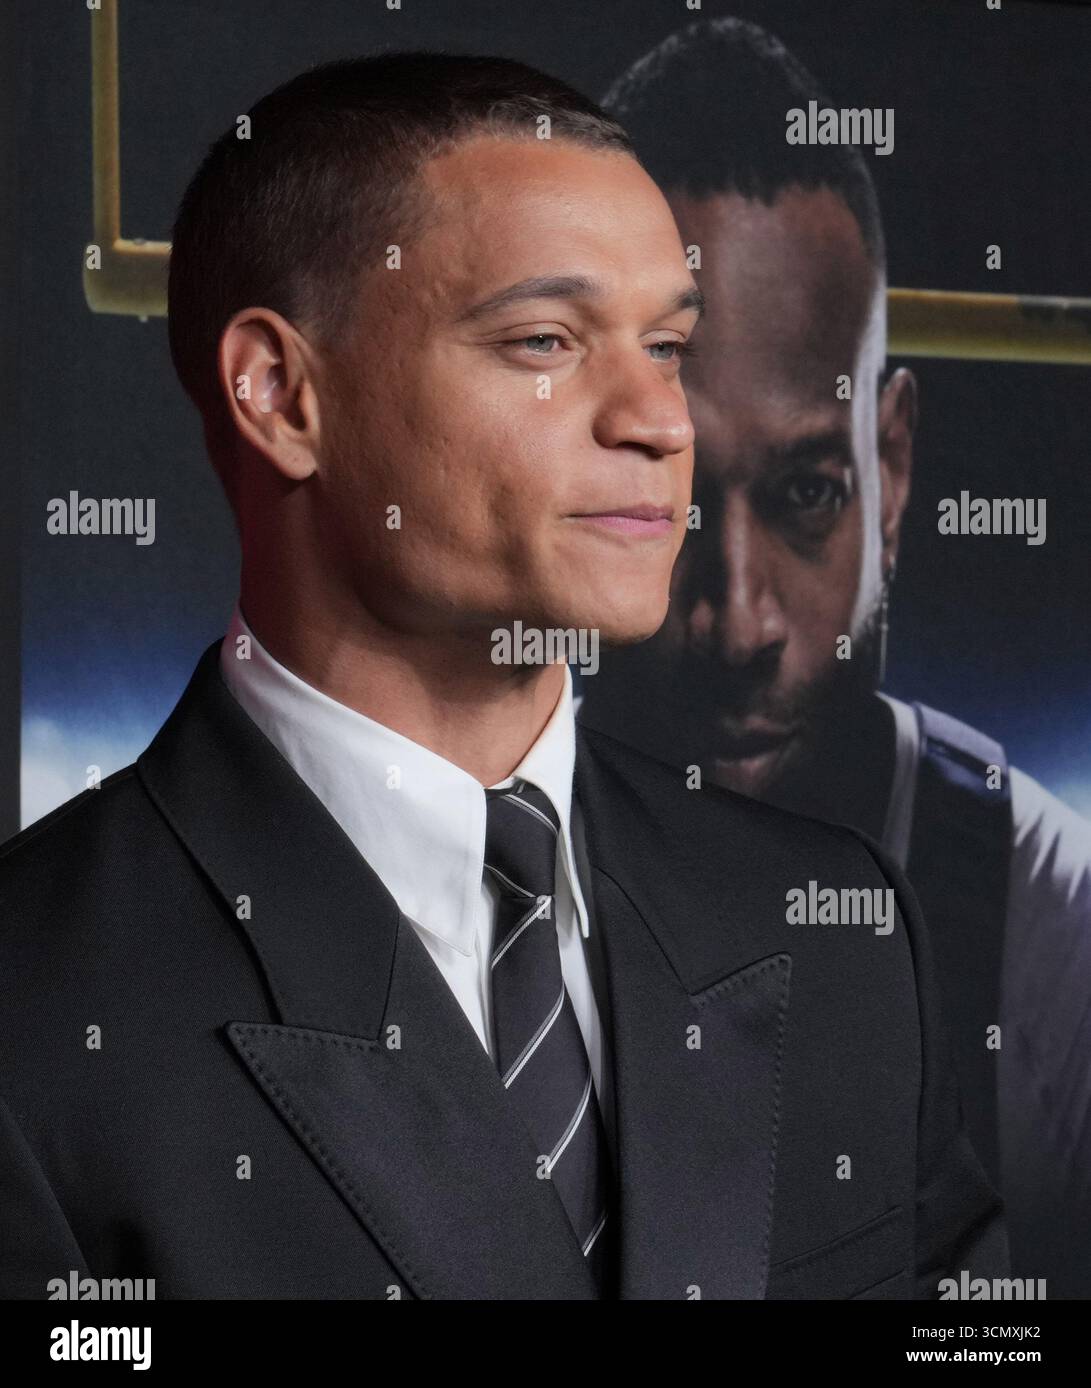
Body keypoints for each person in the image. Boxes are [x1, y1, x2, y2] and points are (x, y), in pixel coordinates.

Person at [0, 51, 1002, 1300]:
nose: (661, 420)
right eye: (546, 338)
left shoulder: (837, 925)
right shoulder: (34, 1013)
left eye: (667, 346)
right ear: (281, 394)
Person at [580, 17, 1091, 1296]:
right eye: (668, 492)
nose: (739, 618)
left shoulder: (1049, 939)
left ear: (893, 466)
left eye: (806, 493)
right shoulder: (433, 896)